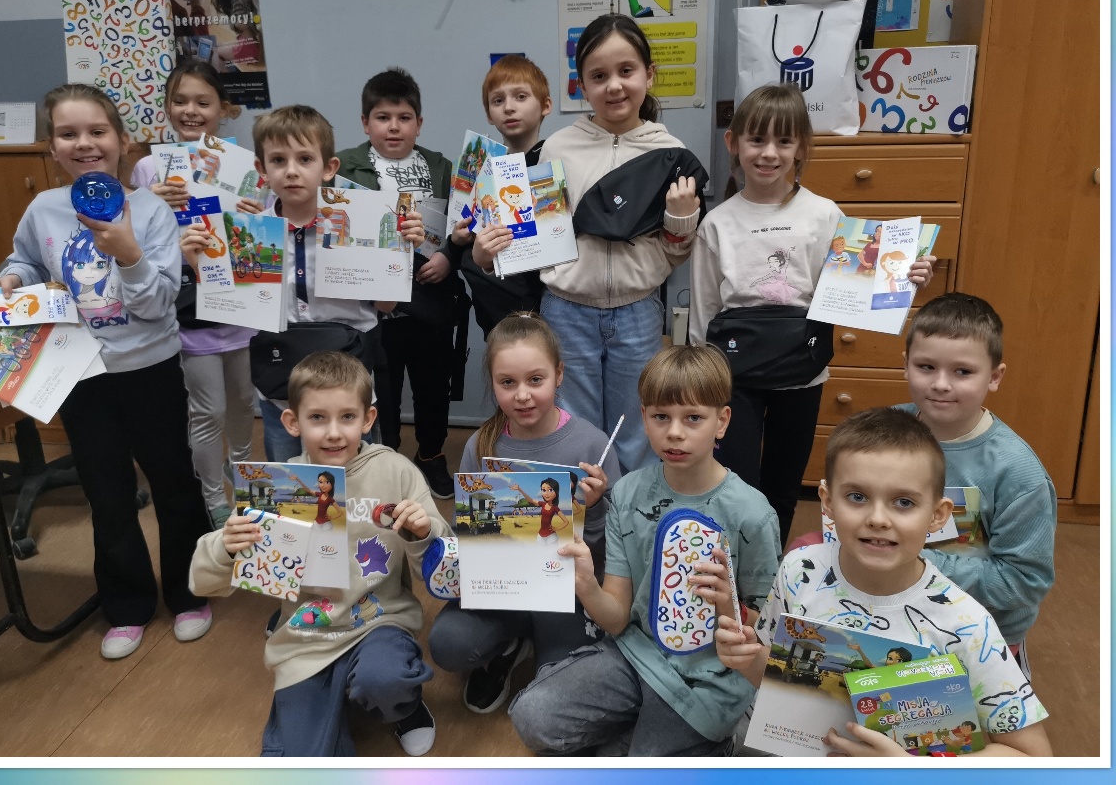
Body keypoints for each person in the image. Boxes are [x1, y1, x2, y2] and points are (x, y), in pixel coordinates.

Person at [0, 83, 212, 660]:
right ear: (52, 148)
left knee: (174, 482)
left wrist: (129, 254)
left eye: (97, 131)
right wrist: (13, 278)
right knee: (107, 491)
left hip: (149, 368)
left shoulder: (152, 211)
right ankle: (126, 605)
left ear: (122, 140)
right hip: (81, 373)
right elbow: (25, 256)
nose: (85, 143)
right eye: (68, 134)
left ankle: (189, 593)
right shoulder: (44, 208)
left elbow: (158, 303)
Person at [714, 407, 1052, 758]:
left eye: (903, 502)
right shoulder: (800, 570)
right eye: (857, 497)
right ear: (827, 502)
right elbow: (775, 681)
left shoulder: (967, 625)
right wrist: (746, 659)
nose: (877, 519)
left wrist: (911, 770)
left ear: (937, 515)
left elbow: (1033, 757)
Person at [689, 83, 935, 542]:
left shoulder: (825, 215)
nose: (769, 153)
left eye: (783, 141)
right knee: (734, 484)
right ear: (733, 143)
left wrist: (905, 276)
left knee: (784, 485)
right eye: (757, 140)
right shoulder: (716, 222)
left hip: (802, 372)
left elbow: (857, 289)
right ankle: (732, 570)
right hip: (734, 377)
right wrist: (704, 381)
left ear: (801, 147)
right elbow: (704, 314)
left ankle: (770, 571)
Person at [509, 345, 781, 757]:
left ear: (722, 421)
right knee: (533, 716)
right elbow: (617, 618)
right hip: (636, 655)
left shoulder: (753, 513)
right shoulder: (628, 493)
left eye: (693, 418)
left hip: (709, 682)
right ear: (644, 418)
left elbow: (767, 633)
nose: (675, 432)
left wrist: (730, 608)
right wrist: (586, 584)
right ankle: (645, 736)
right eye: (661, 417)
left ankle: (707, 740)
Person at [189, 351, 450, 757]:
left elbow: (442, 566)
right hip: (306, 638)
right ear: (292, 422)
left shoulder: (395, 471)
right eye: (317, 418)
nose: (333, 433)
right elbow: (203, 579)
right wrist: (225, 546)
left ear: (368, 419)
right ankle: (323, 702)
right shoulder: (280, 487)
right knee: (304, 760)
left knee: (385, 679)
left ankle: (402, 705)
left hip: (379, 622)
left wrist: (424, 531)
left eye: (347, 417)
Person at [428, 312, 620, 715]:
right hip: (502, 588)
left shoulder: (592, 445)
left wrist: (596, 508)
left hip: (568, 592)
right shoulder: (481, 444)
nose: (522, 396)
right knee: (447, 644)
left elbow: (614, 557)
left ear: (559, 374)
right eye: (507, 383)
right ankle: (510, 644)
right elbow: (465, 533)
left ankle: (537, 643)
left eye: (536, 380)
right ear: (493, 382)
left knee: (563, 677)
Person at [537, 14, 701, 475]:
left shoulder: (669, 151)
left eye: (626, 71)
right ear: (581, 85)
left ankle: (630, 514)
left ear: (649, 75)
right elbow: (543, 240)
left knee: (638, 428)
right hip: (566, 310)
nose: (614, 86)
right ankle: (587, 518)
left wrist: (681, 218)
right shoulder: (557, 149)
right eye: (598, 76)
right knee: (575, 428)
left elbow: (675, 251)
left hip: (638, 310)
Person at [227, 104, 425, 462]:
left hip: (347, 388)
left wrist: (398, 256)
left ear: (329, 168)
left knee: (358, 476)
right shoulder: (249, 234)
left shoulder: (361, 222)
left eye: (305, 159)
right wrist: (205, 261)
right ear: (261, 169)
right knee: (292, 480)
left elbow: (386, 306)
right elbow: (238, 310)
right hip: (280, 391)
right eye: (278, 160)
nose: (291, 171)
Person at [898, 292, 1056, 668]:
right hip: (896, 621)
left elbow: (1023, 581)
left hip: (980, 639)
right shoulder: (885, 431)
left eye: (963, 372)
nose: (941, 384)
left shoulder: (1017, 472)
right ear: (905, 365)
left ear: (994, 377)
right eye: (926, 366)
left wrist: (913, 563)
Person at [130, 59, 253, 527]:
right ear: (166, 107)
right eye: (179, 101)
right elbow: (132, 244)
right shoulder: (147, 168)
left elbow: (261, 233)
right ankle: (213, 496)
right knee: (209, 410)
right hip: (188, 308)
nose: (191, 111)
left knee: (243, 402)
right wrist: (150, 204)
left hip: (239, 302)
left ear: (223, 109)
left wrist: (253, 213)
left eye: (203, 102)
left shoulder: (242, 164)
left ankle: (244, 476)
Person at [336, 67, 466, 500]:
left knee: (432, 387)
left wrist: (448, 257)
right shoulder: (344, 167)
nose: (394, 127)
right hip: (374, 308)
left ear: (419, 123)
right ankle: (384, 458)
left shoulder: (439, 166)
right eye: (383, 117)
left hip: (429, 298)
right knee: (381, 391)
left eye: (404, 117)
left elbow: (460, 225)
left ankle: (431, 455)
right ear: (365, 123)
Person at [461, 54, 552, 339]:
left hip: (548, 307)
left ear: (545, 105)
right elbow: (465, 237)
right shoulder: (480, 168)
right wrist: (460, 241)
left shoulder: (555, 163)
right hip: (496, 312)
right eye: (498, 101)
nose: (509, 107)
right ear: (489, 114)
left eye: (521, 97)